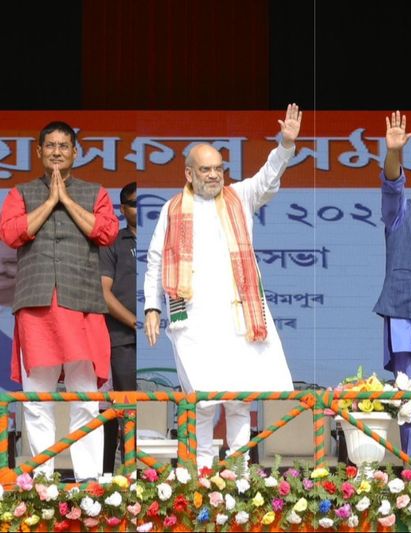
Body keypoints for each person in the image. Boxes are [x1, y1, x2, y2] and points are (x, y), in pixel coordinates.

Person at [144, 106, 300, 469]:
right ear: (189, 173)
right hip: (193, 322)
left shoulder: (239, 197)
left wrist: (286, 145)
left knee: (239, 400)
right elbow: (155, 259)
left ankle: (241, 474)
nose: (214, 175)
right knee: (201, 401)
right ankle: (201, 474)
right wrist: (152, 306)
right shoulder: (171, 210)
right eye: (205, 169)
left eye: (218, 168)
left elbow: (267, 178)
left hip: (237, 318)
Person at [0, 121, 120, 480]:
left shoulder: (94, 192)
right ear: (38, 152)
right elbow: (10, 233)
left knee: (85, 395)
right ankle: (42, 482)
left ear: (75, 152)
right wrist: (49, 201)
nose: (56, 151)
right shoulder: (20, 193)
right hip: (37, 308)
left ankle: (88, 481)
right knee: (38, 400)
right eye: (49, 146)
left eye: (63, 146)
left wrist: (65, 200)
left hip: (81, 305)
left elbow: (107, 232)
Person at [99, 181, 137, 474]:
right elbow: (104, 293)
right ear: (123, 209)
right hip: (123, 338)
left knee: (177, 408)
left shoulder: (164, 239)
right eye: (135, 204)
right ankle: (123, 478)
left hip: (164, 338)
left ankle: (152, 479)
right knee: (123, 410)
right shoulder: (113, 243)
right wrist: (136, 322)